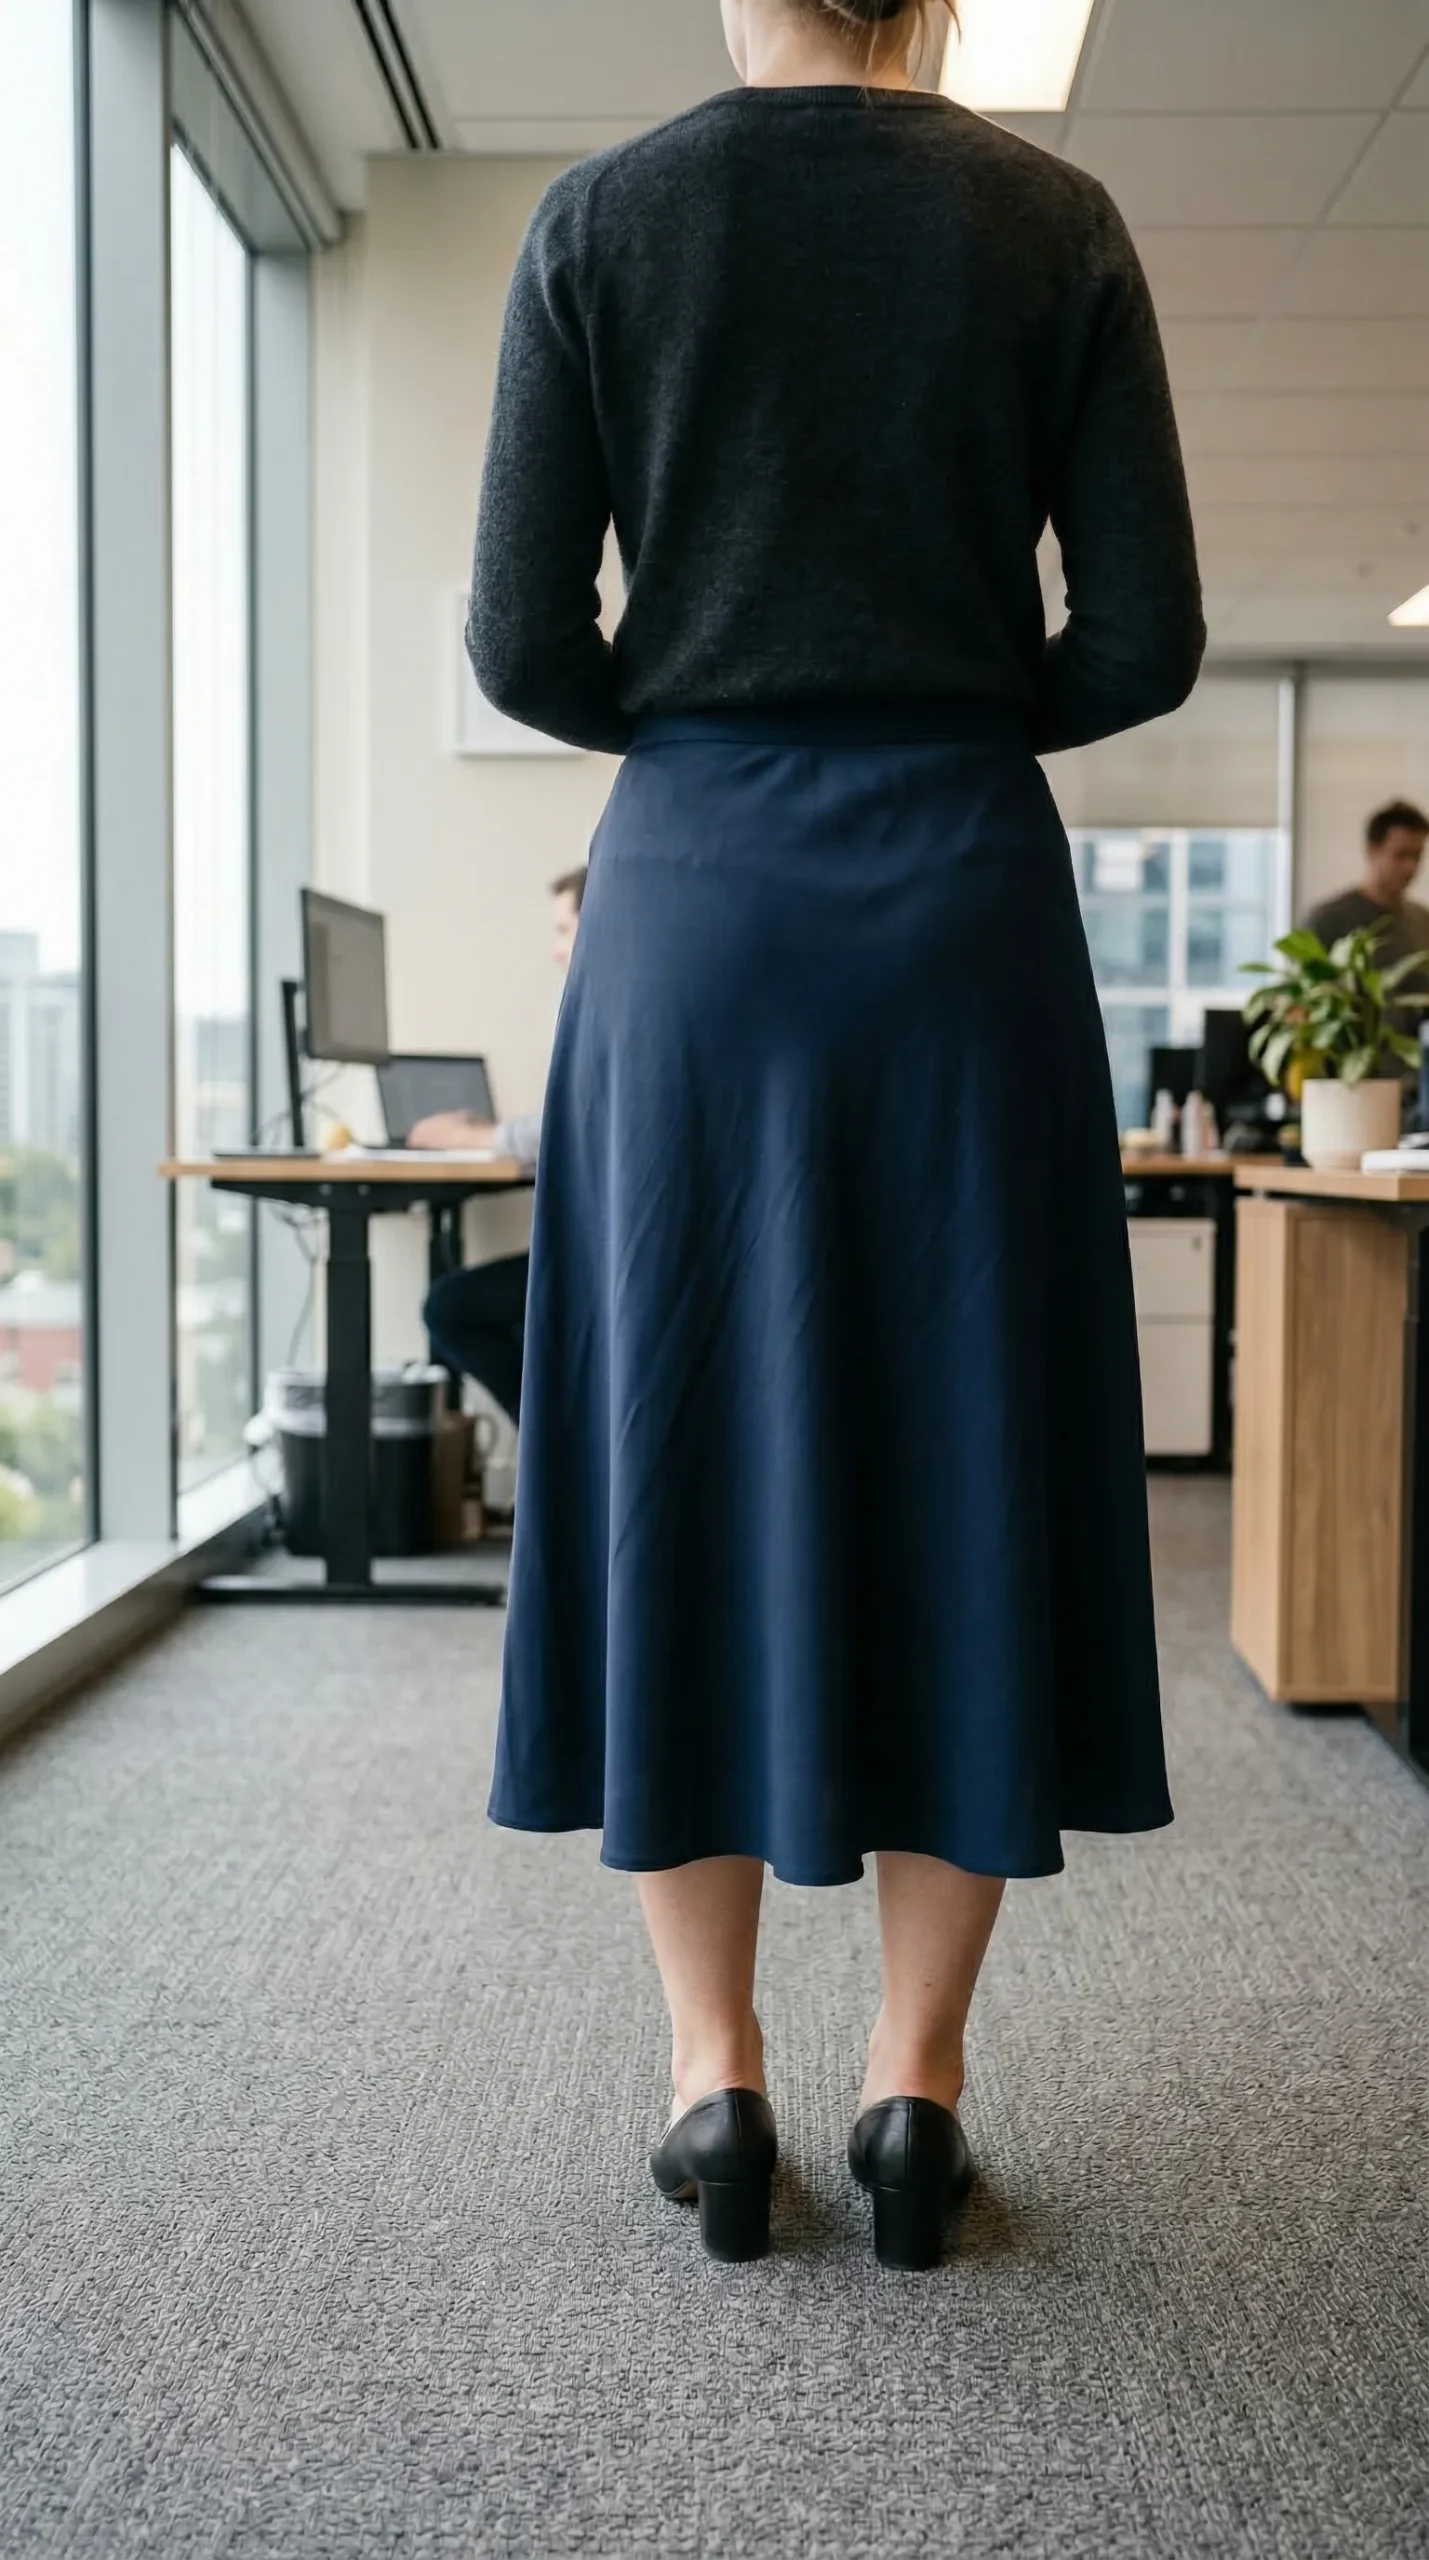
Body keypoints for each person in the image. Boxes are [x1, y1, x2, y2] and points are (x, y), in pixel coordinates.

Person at [467, 0, 1203, 2270]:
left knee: (673, 1443)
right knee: (961, 1441)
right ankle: (917, 2086)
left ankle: (716, 2084)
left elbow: (518, 639)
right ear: (947, 1)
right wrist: (957, 702)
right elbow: (1148, 635)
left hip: (693, 898)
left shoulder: (604, 218)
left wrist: (694, 709)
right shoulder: (1054, 220)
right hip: (958, 891)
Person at [409, 867, 585, 1424]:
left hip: (602, 1259)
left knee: (449, 1307)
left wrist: (470, 1137)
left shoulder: (617, 1006)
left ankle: (551, 1445)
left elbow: (572, 1125)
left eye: (564, 930)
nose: (557, 953)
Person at [1304, 800, 1429, 979]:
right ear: (1371, 851)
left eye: (1417, 856)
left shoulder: (1423, 922)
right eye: (1401, 855)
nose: (1410, 866)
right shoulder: (1329, 920)